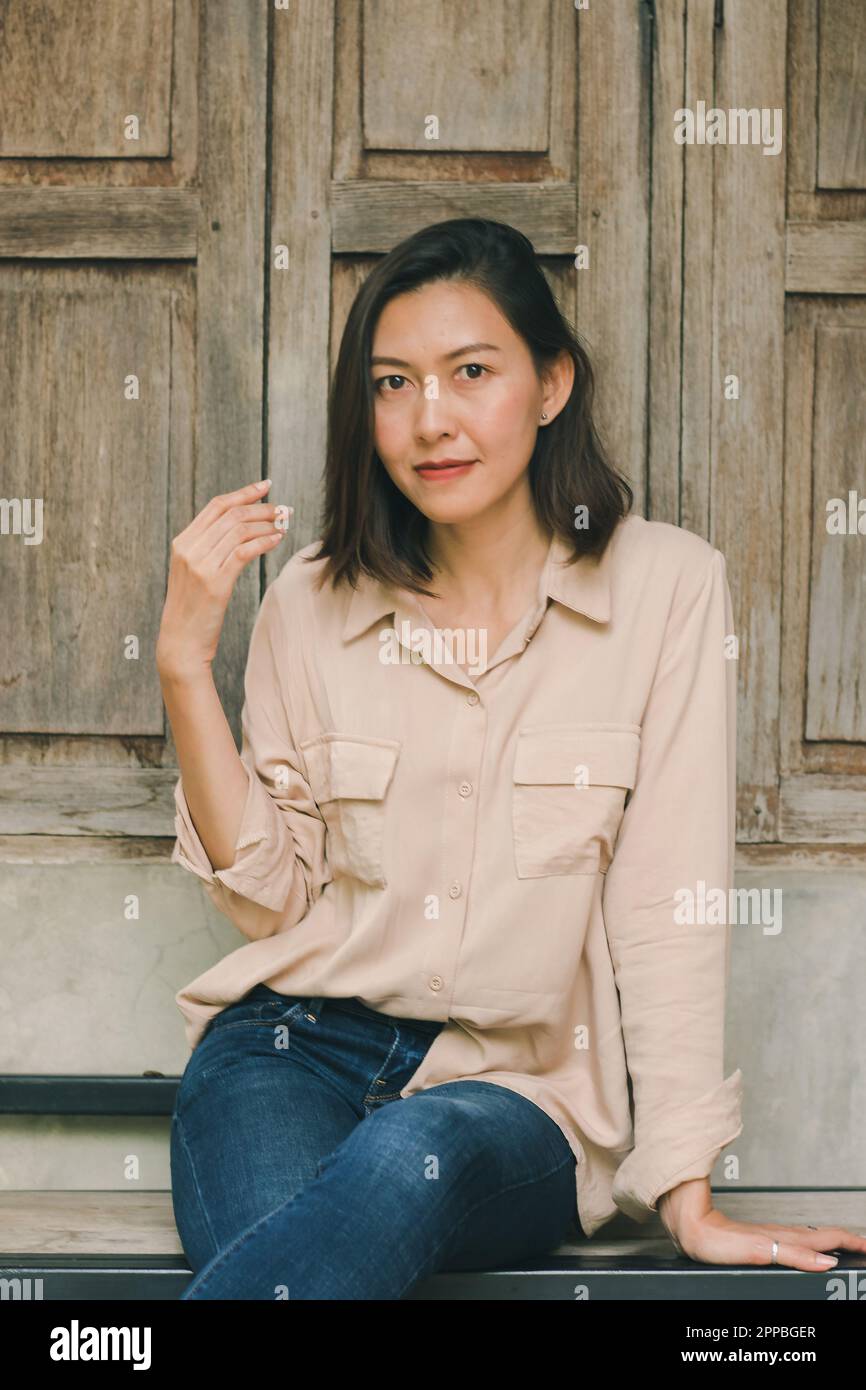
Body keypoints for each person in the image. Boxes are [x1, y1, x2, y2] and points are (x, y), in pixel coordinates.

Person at [157, 218, 865, 1299]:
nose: (426, 419)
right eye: (392, 384)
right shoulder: (312, 595)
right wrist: (181, 664)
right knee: (301, 1253)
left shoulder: (667, 590)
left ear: (550, 384)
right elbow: (269, 901)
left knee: (394, 1170)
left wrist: (684, 1190)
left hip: (516, 1092)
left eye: (469, 372)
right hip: (287, 1049)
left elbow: (667, 907)